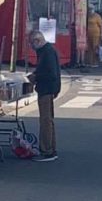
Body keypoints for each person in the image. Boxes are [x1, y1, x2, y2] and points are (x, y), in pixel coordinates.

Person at [28, 31, 61, 161]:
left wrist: (36, 77)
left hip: (47, 89)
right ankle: (50, 148)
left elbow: (52, 73)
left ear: (38, 41)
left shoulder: (47, 52)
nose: (31, 46)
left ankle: (47, 150)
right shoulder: (45, 51)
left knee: (45, 120)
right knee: (48, 120)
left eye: (32, 43)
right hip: (47, 88)